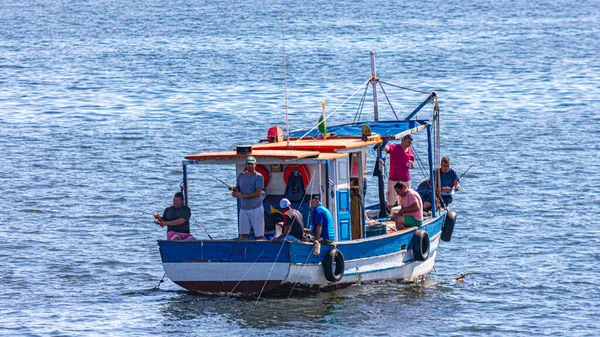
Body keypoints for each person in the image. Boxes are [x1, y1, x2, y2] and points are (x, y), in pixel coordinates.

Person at [228, 156, 265, 240]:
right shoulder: (241, 175)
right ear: (245, 165)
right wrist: (233, 189)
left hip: (256, 208)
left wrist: (241, 196)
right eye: (248, 164)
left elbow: (258, 193)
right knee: (243, 234)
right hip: (243, 209)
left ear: (255, 165)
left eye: (251, 164)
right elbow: (238, 188)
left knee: (259, 235)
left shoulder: (259, 177)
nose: (250, 166)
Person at [384, 134, 415, 212]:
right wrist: (383, 144)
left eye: (411, 142)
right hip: (394, 178)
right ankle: (390, 211)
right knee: (391, 196)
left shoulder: (410, 152)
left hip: (405, 178)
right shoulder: (395, 147)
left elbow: (413, 164)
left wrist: (411, 165)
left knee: (406, 197)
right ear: (403, 140)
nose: (409, 143)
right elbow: (387, 148)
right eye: (408, 140)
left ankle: (403, 211)